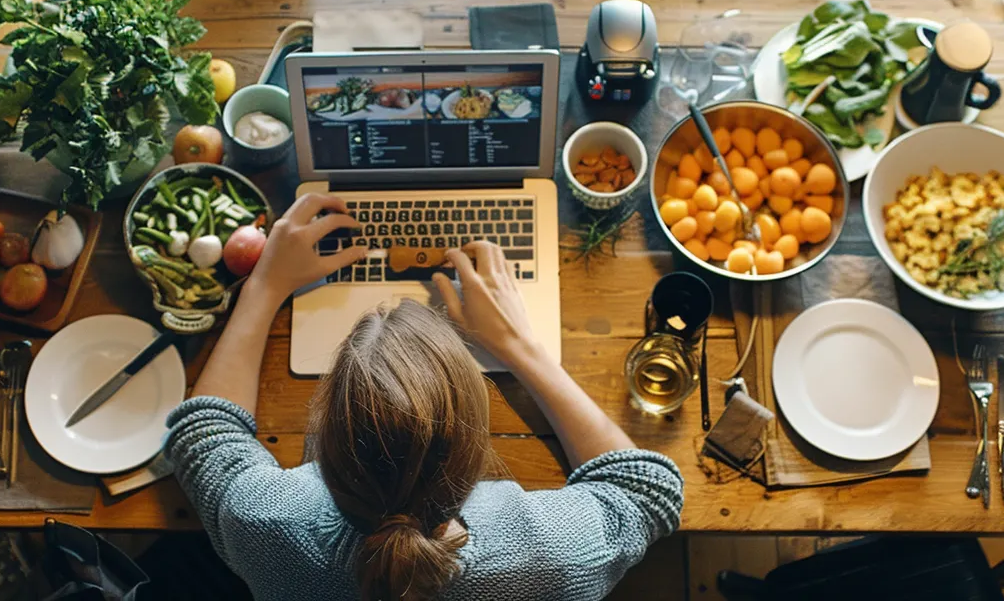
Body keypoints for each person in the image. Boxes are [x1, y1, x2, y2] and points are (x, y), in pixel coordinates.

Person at [162, 194, 685, 601]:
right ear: (476, 444)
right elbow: (648, 491)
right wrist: (521, 346)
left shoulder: (265, 524)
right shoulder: (554, 553)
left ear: (324, 441)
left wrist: (264, 285)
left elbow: (200, 436)